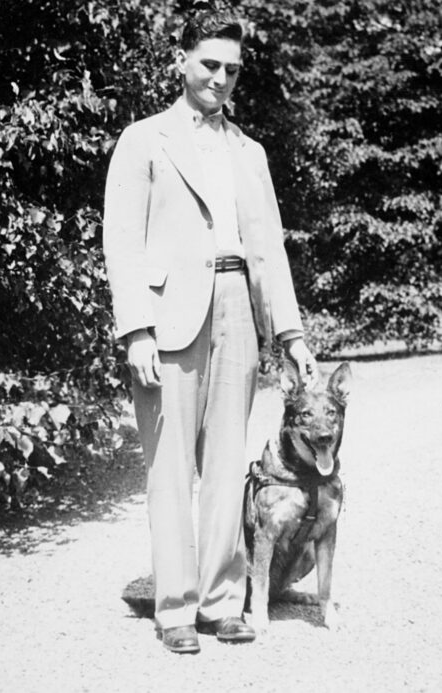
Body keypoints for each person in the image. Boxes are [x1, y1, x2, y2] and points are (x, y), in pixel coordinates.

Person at [102, 9, 318, 654]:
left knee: (226, 468)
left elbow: (269, 250)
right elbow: (122, 241)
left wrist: (292, 334)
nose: (221, 79)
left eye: (232, 70)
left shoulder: (249, 152)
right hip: (167, 317)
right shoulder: (143, 139)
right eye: (210, 65)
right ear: (181, 60)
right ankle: (174, 609)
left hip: (238, 314)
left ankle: (223, 602)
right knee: (169, 469)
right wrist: (136, 328)